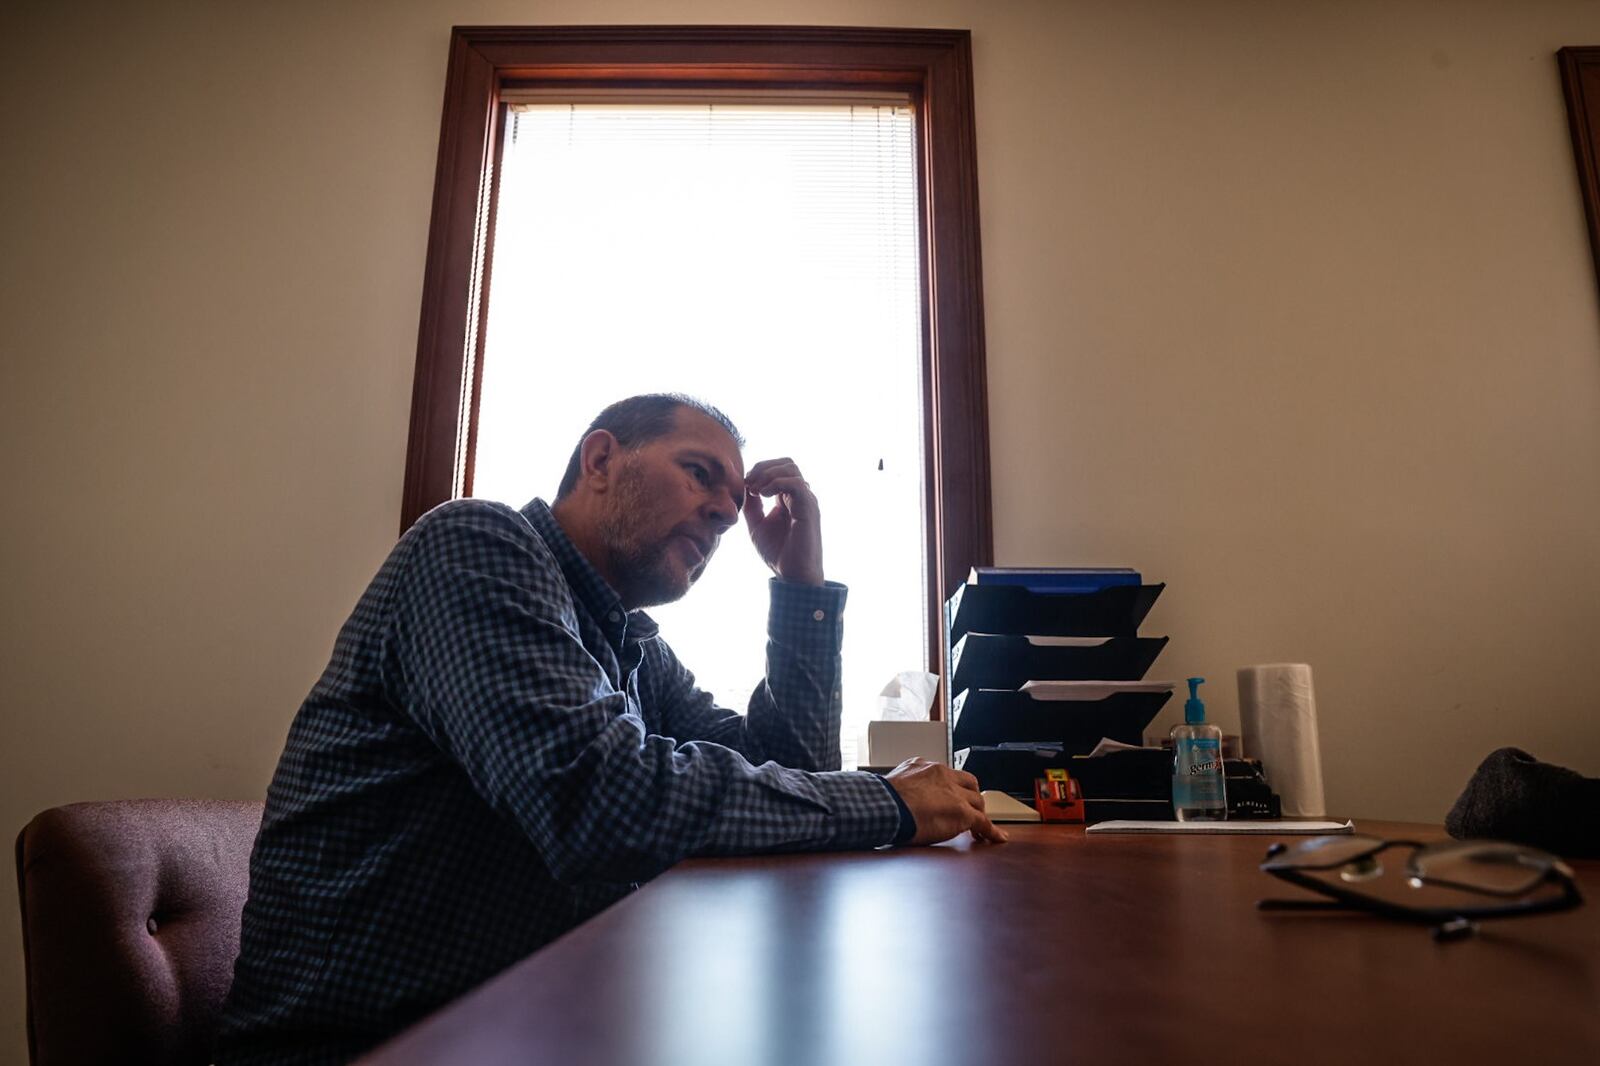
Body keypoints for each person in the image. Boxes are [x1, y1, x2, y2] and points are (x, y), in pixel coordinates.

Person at [215, 393, 1004, 1066]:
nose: (727, 512)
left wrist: (800, 584)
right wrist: (890, 803)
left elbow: (787, 766)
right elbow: (604, 801)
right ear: (600, 460)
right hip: (365, 1047)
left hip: (516, 1028)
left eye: (734, 506)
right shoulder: (474, 548)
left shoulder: (631, 645)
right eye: (700, 473)